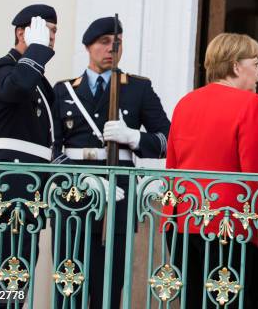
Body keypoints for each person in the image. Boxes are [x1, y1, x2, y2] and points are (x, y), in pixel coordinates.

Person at [51, 16, 170, 309]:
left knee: (110, 279)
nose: (111, 49)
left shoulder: (138, 88)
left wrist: (134, 138)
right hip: (74, 192)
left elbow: (167, 139)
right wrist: (78, 177)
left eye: (116, 43)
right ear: (88, 47)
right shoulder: (65, 90)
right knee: (70, 276)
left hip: (119, 192)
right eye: (103, 42)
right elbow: (52, 146)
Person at [162, 33, 258, 308]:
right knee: (227, 302)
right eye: (256, 63)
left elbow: (173, 165)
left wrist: (170, 218)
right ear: (237, 66)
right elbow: (256, 172)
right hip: (228, 221)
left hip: (183, 219)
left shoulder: (186, 102)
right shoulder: (250, 103)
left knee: (193, 301)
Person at [0, 4, 58, 307]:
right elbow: (16, 88)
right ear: (22, 32)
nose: (51, 39)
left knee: (15, 283)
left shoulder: (40, 80)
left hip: (28, 193)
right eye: (47, 31)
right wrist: (35, 50)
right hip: (3, 192)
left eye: (54, 33)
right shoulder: (4, 69)